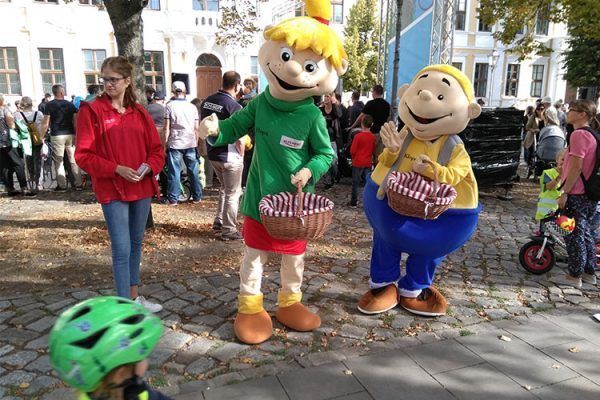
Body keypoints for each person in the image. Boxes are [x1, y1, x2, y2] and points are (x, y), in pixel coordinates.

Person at [75, 56, 165, 312]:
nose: (108, 85)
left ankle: (134, 299)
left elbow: (157, 150)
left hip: (140, 186)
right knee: (122, 247)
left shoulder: (139, 112)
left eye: (113, 80)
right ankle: (125, 306)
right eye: (104, 80)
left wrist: (149, 166)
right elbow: (83, 155)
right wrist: (116, 169)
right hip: (112, 188)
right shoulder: (91, 110)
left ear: (127, 81)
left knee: (135, 243)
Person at [49, 296, 173, 400]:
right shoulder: (135, 393)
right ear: (120, 374)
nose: (146, 361)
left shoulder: (132, 390)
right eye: (143, 356)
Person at [553, 99, 600, 288]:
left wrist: (564, 191)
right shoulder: (593, 135)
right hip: (588, 193)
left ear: (583, 114)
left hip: (577, 192)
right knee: (586, 233)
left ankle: (574, 276)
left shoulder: (578, 135)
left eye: (572, 109)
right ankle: (589, 272)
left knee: (573, 234)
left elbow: (576, 166)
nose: (568, 112)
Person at [201, 71, 246, 240]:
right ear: (236, 85)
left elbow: (203, 126)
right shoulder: (234, 106)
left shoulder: (207, 101)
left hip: (213, 154)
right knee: (233, 193)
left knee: (224, 189)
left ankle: (219, 221)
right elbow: (239, 136)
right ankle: (229, 229)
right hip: (230, 156)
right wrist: (241, 155)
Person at [163, 81, 202, 205]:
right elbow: (196, 128)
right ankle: (197, 196)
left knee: (174, 171)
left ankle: (173, 198)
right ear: (185, 91)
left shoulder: (169, 106)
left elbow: (166, 127)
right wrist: (196, 143)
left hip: (175, 142)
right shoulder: (192, 107)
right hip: (190, 142)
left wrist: (165, 143)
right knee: (193, 171)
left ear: (173, 91)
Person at [41, 84, 82, 190]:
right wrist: (77, 134)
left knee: (59, 161)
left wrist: (42, 135)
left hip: (57, 135)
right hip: (70, 134)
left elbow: (45, 122)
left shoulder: (49, 105)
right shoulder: (70, 104)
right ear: (61, 92)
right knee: (73, 160)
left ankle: (62, 185)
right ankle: (78, 184)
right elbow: (76, 121)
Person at [0, 93, 30, 196]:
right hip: (9, 141)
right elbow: (11, 124)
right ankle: (24, 188)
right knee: (19, 164)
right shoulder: (5, 110)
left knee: (5, 165)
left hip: (0, 144)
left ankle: (10, 188)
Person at [14, 96, 45, 192]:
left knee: (28, 161)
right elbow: (44, 125)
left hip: (25, 141)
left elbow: (15, 128)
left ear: (22, 104)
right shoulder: (38, 113)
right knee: (38, 161)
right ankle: (38, 183)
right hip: (37, 140)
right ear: (31, 103)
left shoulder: (17, 115)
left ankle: (31, 181)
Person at [349, 114, 376, 207]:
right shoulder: (372, 137)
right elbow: (373, 150)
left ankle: (354, 202)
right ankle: (366, 202)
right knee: (366, 184)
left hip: (358, 162)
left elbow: (352, 150)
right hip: (367, 162)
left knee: (355, 183)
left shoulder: (358, 136)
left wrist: (353, 158)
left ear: (362, 124)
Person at [535, 149, 565, 231]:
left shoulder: (568, 174)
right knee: (545, 231)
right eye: (562, 159)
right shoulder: (548, 172)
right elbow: (549, 186)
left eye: (567, 160)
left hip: (558, 209)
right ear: (557, 159)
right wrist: (559, 176)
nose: (564, 162)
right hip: (547, 209)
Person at [535, 107, 565, 177]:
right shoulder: (559, 130)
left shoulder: (546, 129)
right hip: (557, 154)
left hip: (544, 153)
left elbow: (540, 140)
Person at [524, 103, 545, 178]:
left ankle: (538, 171)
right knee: (532, 154)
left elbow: (554, 123)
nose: (540, 111)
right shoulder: (533, 116)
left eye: (542, 109)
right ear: (536, 110)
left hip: (542, 138)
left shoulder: (546, 117)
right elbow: (527, 127)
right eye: (538, 109)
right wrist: (534, 130)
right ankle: (530, 170)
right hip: (533, 138)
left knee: (540, 155)